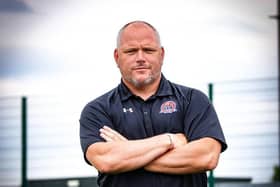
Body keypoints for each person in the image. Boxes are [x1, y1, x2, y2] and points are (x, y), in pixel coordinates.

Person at [79, 20, 227, 187]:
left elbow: (206, 157)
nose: (140, 58)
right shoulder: (97, 110)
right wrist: (169, 140)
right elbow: (106, 160)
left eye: (148, 50)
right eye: (131, 51)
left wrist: (128, 153)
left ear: (161, 54)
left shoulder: (193, 100)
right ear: (117, 57)